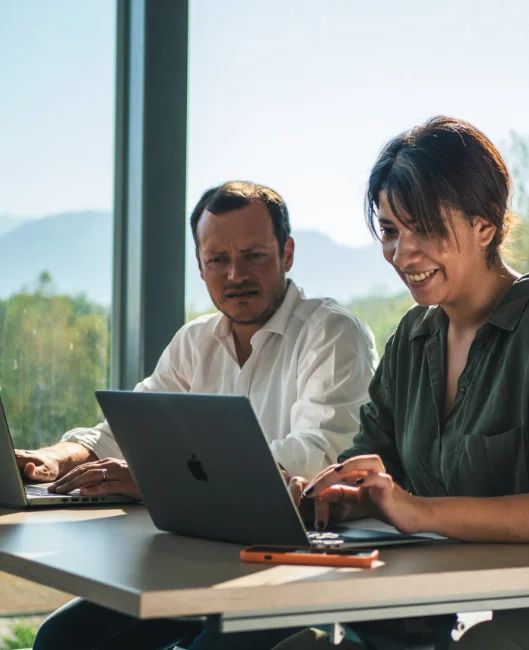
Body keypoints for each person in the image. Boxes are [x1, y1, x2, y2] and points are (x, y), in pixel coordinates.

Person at [29, 180, 378, 650]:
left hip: (293, 572)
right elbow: (129, 432)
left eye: (254, 254)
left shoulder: (333, 333)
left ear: (287, 253)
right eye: (218, 260)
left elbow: (318, 459)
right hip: (196, 560)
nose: (235, 274)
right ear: (200, 265)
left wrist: (157, 478)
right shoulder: (194, 342)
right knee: (62, 640)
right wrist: (53, 459)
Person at [268, 116, 529, 649]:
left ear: (486, 224)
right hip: (426, 596)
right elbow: (377, 457)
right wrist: (348, 494)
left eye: (426, 229)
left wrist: (417, 511)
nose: (402, 253)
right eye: (390, 230)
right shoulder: (414, 336)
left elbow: (418, 508)